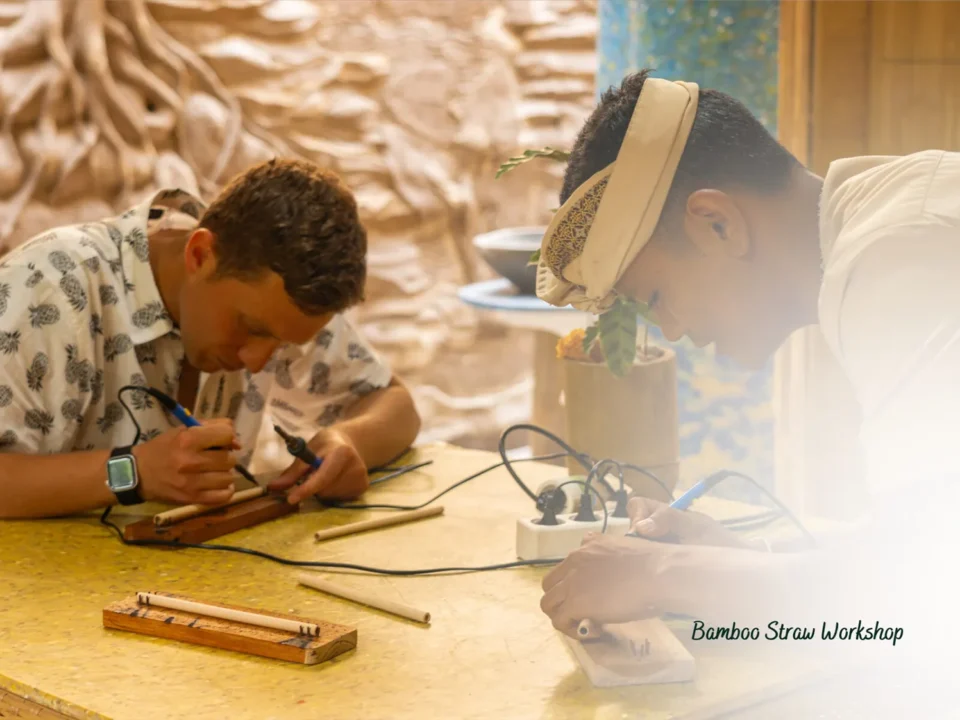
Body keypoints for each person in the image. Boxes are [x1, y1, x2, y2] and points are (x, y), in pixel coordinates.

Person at [534, 70, 960, 652]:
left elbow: (927, 592)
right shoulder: (893, 218)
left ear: (717, 224)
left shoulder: (901, 261)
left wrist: (665, 574)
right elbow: (918, 541)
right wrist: (740, 559)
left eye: (656, 298)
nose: (673, 329)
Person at [0, 158, 421, 518]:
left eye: (282, 345)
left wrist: (349, 441)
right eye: (251, 328)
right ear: (200, 255)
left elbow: (395, 405)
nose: (257, 361)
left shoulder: (281, 301)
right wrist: (135, 472)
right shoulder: (50, 287)